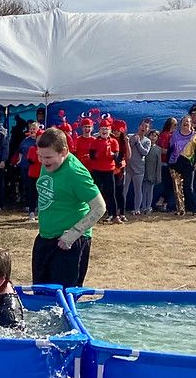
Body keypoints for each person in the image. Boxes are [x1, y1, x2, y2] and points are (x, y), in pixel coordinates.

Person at [32, 128, 105, 288]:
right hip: (46, 237)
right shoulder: (49, 163)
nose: (43, 161)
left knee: (62, 298)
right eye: (40, 156)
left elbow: (99, 207)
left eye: (48, 157)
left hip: (68, 242)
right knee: (40, 293)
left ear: (63, 152)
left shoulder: (75, 173)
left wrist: (74, 233)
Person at [168, 115, 196, 216]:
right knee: (177, 187)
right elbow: (170, 149)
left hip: (188, 163)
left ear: (191, 124)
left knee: (188, 187)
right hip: (176, 163)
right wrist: (170, 163)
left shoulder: (195, 135)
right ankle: (180, 209)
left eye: (188, 121)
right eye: (184, 121)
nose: (186, 123)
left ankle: (194, 209)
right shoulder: (175, 135)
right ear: (181, 123)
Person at [88, 117, 119, 222]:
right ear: (99, 130)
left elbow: (117, 156)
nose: (104, 131)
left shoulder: (114, 141)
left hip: (109, 170)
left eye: (106, 129)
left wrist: (112, 155)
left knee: (111, 193)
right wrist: (98, 153)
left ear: (110, 130)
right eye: (102, 129)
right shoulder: (95, 141)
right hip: (97, 169)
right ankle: (95, 214)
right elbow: (92, 156)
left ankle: (113, 214)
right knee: (97, 193)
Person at [123, 118, 152, 216]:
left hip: (139, 169)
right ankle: (121, 208)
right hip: (127, 168)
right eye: (142, 126)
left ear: (148, 129)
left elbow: (145, 152)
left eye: (146, 127)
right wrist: (131, 141)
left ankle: (137, 209)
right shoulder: (131, 136)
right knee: (124, 190)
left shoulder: (147, 141)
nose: (144, 128)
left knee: (138, 190)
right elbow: (126, 149)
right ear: (139, 126)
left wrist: (138, 142)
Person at [154, 117, 177, 212]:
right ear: (170, 125)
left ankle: (164, 204)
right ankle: (161, 202)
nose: (176, 127)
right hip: (166, 163)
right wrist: (173, 152)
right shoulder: (166, 135)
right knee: (169, 184)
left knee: (170, 184)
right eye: (175, 125)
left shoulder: (168, 135)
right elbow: (162, 149)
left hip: (167, 162)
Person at [110, 120, 130, 221]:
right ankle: (112, 213)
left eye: (118, 130)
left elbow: (128, 156)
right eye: (114, 130)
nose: (116, 132)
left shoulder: (123, 141)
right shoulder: (110, 140)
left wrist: (127, 143)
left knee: (120, 192)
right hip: (110, 168)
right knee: (111, 192)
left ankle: (122, 212)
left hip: (120, 169)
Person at [142, 129, 161, 213]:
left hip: (152, 173)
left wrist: (158, 176)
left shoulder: (158, 149)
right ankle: (142, 207)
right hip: (143, 172)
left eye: (155, 136)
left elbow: (158, 164)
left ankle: (148, 207)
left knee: (150, 191)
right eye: (151, 135)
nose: (153, 138)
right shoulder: (144, 147)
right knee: (143, 190)